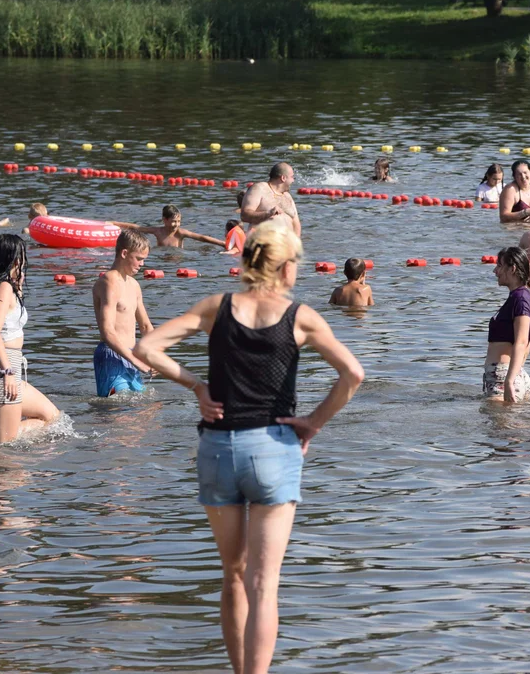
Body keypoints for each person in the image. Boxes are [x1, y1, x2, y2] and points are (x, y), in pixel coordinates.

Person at [132, 221, 364, 674]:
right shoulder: (300, 316)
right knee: (264, 584)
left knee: (233, 575)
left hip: (218, 449)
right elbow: (353, 375)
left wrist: (197, 386)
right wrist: (312, 424)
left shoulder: (215, 307)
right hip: (274, 451)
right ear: (281, 266)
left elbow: (147, 346)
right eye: (294, 261)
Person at [0, 234, 60, 443]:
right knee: (5, 449)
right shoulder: (3, 288)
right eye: (21, 255)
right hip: (1, 367)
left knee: (52, 416)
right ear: (14, 258)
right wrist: (7, 372)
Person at [92, 230, 155, 398]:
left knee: (145, 413)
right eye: (139, 259)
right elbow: (107, 332)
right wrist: (136, 361)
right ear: (124, 253)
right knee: (118, 415)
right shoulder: (109, 282)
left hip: (132, 355)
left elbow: (145, 326)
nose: (142, 264)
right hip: (111, 355)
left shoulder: (134, 285)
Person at [484, 246, 530, 403]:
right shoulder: (521, 297)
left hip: (502, 378)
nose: (495, 271)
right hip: (508, 376)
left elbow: (521, 342)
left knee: (498, 428)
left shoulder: (520, 299)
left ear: (512, 269)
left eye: (499, 265)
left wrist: (508, 381)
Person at [110, 205, 226, 249]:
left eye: (179, 221)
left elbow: (202, 237)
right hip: (162, 257)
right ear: (164, 220)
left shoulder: (180, 233)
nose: (177, 225)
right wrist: (114, 223)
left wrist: (222, 243)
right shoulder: (157, 231)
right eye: (174, 221)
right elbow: (137, 227)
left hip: (177, 260)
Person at [241, 163, 301, 238]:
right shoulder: (260, 188)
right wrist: (268, 213)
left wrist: (296, 245)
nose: (293, 180)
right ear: (283, 178)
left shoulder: (288, 196)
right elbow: (244, 215)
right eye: (292, 177)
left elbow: (296, 224)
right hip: (263, 244)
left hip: (286, 246)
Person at [498, 160, 530, 224]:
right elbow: (503, 217)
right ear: (514, 176)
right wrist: (525, 212)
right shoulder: (510, 190)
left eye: (525, 172)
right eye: (519, 174)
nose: (523, 177)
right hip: (516, 230)